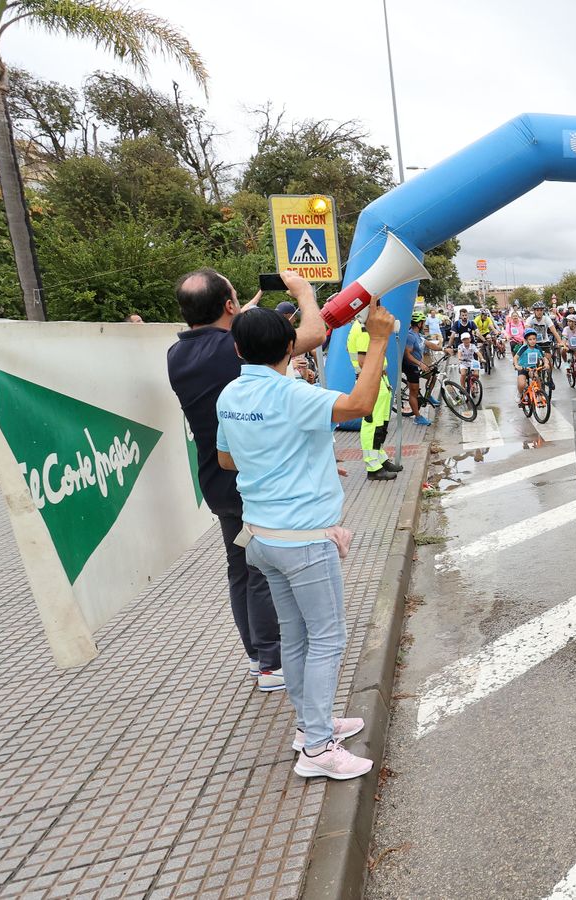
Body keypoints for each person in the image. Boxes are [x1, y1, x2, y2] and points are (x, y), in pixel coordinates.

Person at [216, 301, 395, 780]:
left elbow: (228, 460)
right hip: (303, 543)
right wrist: (378, 339)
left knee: (295, 636)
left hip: (260, 537)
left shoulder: (229, 395)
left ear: (237, 348)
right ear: (290, 346)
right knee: (328, 639)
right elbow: (359, 405)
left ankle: (309, 726)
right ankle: (317, 749)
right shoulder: (293, 395)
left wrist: (298, 460)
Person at [168, 269, 323, 694]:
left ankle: (259, 657)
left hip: (216, 478)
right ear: (230, 308)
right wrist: (305, 295)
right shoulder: (229, 352)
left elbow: (228, 339)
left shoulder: (177, 355)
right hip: (252, 479)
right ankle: (273, 662)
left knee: (241, 569)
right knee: (260, 571)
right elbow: (312, 333)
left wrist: (245, 314)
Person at [345, 313, 401, 482]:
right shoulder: (363, 328)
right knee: (372, 425)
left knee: (381, 424)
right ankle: (373, 466)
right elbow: (363, 361)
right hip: (370, 381)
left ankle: (380, 458)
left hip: (378, 379)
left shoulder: (365, 326)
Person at [403, 310, 440, 426]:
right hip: (410, 366)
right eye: (423, 322)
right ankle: (417, 417)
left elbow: (429, 344)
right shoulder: (410, 336)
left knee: (432, 376)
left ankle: (428, 396)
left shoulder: (418, 335)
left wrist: (443, 349)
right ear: (419, 324)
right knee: (413, 392)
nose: (424, 324)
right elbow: (407, 354)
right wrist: (420, 364)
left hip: (417, 365)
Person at [515, 329, 551, 405]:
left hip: (532, 368)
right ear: (527, 340)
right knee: (521, 384)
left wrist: (546, 363)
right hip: (523, 368)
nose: (532, 341)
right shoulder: (524, 348)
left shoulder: (538, 348)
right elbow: (516, 358)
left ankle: (539, 394)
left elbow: (544, 357)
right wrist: (517, 365)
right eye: (530, 339)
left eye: (534, 339)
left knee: (537, 379)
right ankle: (519, 393)